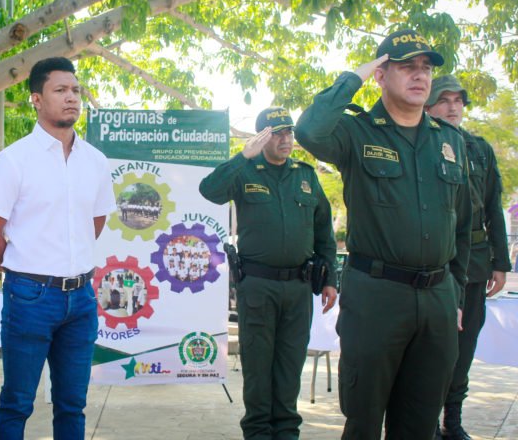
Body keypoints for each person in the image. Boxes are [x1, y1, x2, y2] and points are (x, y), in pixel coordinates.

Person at [295, 29, 472, 440]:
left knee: (422, 422)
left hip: (437, 299)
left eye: (425, 68)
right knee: (364, 420)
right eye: (407, 66)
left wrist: (456, 296)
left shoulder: (450, 142)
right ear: (381, 74)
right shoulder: (357, 132)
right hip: (376, 296)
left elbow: (462, 224)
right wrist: (353, 77)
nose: (420, 76)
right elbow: (309, 131)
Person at [0, 56, 116, 439]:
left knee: (72, 404)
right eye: (60, 90)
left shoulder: (96, 162)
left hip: (82, 299)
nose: (71, 98)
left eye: (75, 90)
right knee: (17, 402)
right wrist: (22, 266)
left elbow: (96, 223)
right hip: (29, 296)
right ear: (36, 99)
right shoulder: (14, 161)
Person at [199, 106, 338, 439]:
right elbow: (210, 190)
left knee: (290, 365)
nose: (286, 139)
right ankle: (259, 432)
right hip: (258, 286)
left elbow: (323, 232)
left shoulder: (305, 176)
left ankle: (287, 431)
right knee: (259, 366)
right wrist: (242, 156)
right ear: (262, 138)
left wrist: (330, 278)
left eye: (288, 132)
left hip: (299, 288)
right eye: (277, 133)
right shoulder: (247, 171)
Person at [425, 75, 511, 439]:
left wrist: (501, 262)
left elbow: (494, 205)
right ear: (428, 105)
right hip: (434, 262)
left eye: (458, 100)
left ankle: (452, 422)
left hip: (475, 262)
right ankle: (423, 421)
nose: (453, 106)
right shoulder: (419, 144)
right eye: (444, 100)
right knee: (429, 349)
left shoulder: (479, 149)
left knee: (464, 346)